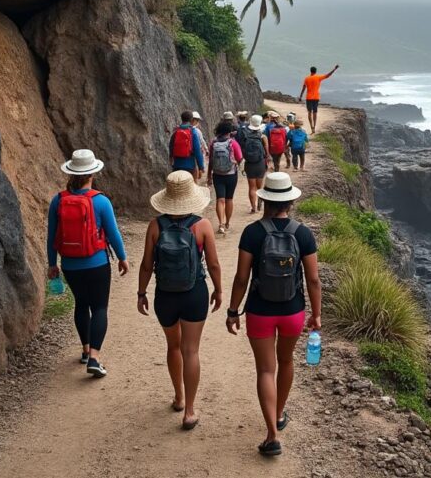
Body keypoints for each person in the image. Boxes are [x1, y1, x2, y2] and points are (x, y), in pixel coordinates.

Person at [226, 173, 322, 457]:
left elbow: (242, 278)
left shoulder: (252, 233)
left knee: (266, 370)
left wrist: (233, 311)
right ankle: (279, 414)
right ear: (290, 200)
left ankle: (272, 434)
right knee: (286, 361)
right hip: (293, 311)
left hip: (259, 311)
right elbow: (314, 280)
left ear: (265, 198)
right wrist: (316, 315)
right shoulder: (303, 233)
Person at [137, 171, 221, 430]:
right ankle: (191, 411)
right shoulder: (202, 226)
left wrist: (141, 294)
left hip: (165, 296)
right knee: (191, 350)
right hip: (194, 294)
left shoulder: (155, 226)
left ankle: (179, 398)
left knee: (173, 346)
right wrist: (218, 290)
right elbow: (215, 264)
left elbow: (146, 265)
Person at [47, 149, 129, 378]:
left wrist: (52, 264)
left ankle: (84, 350)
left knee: (81, 304)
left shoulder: (58, 201)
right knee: (99, 307)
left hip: (70, 265)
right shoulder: (101, 201)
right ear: (92, 174)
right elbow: (113, 234)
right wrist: (122, 258)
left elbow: (51, 235)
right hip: (97, 264)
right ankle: (94, 357)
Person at [206, 121, 244, 234]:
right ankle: (227, 222)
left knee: (220, 199)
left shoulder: (213, 142)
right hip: (231, 175)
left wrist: (209, 176)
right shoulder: (233, 143)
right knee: (229, 199)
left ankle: (220, 224)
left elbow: (211, 161)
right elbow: (240, 158)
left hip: (217, 175)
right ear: (229, 132)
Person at [298, 64, 339, 134]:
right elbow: (328, 75)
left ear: (310, 71)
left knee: (309, 112)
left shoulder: (307, 78)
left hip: (308, 98)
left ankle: (311, 126)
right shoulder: (318, 77)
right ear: (315, 71)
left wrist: (300, 96)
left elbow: (303, 88)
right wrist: (334, 69)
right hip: (316, 97)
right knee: (315, 112)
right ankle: (314, 126)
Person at [242, 115, 270, 213]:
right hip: (260, 163)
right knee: (260, 187)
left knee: (251, 187)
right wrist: (267, 158)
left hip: (249, 163)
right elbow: (266, 151)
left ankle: (253, 208)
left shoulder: (245, 136)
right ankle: (259, 203)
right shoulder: (263, 136)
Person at [170, 111, 205, 180]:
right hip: (190, 166)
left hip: (177, 165)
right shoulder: (193, 131)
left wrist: (171, 158)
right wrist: (201, 167)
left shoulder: (176, 131)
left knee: (178, 188)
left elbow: (171, 146)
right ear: (191, 119)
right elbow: (197, 150)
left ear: (182, 118)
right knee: (192, 188)